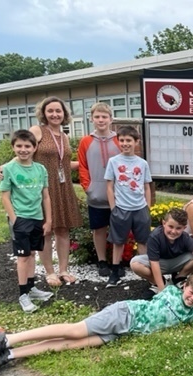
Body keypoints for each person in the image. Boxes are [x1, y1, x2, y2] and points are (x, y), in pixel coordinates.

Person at [0, 273, 193, 376]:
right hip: (124, 313)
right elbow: (178, 288)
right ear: (185, 287)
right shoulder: (172, 291)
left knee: (70, 345)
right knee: (74, 330)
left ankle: (8, 355)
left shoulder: (192, 313)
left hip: (123, 332)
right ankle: (6, 339)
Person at [18, 97, 82, 287]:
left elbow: (63, 163)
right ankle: (49, 272)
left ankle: (63, 269)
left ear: (64, 114)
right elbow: (23, 152)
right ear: (44, 113)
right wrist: (5, 167)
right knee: (45, 230)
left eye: (58, 111)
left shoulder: (64, 136)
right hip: (44, 188)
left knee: (63, 229)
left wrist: (86, 164)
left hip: (63, 188)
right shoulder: (38, 131)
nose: (55, 114)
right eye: (51, 111)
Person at [0, 130, 54, 313]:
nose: (23, 150)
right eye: (19, 146)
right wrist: (15, 220)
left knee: (31, 254)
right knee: (23, 256)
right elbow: (5, 197)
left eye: (27, 146)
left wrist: (48, 220)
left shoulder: (40, 169)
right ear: (13, 147)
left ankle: (32, 288)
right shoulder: (9, 169)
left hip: (37, 218)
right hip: (20, 218)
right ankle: (23, 294)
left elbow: (45, 196)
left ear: (34, 147)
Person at [104, 126, 152, 287]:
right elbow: (110, 186)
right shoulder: (114, 162)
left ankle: (144, 271)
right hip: (121, 208)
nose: (125, 144)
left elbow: (146, 187)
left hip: (140, 208)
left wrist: (148, 207)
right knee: (118, 241)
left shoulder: (142, 163)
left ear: (136, 142)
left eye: (129, 140)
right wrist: (113, 208)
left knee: (143, 241)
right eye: (122, 140)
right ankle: (115, 271)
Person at [77, 102, 122, 278]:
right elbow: (82, 166)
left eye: (104, 116)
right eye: (97, 117)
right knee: (99, 229)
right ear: (92, 119)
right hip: (95, 194)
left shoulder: (119, 140)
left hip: (119, 194)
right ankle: (102, 260)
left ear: (111, 119)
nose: (101, 120)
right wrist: (88, 187)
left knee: (118, 228)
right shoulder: (86, 141)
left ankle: (116, 262)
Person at [130, 208, 193, 293]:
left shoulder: (184, 237)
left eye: (178, 228)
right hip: (159, 263)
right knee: (135, 263)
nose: (173, 231)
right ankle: (161, 283)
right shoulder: (155, 236)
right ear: (164, 223)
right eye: (170, 226)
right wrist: (162, 291)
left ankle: (179, 278)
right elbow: (154, 263)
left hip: (177, 262)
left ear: (184, 228)